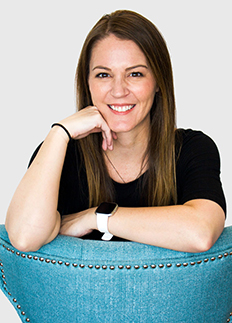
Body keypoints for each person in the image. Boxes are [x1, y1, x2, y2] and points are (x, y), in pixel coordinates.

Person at [5, 10, 226, 253]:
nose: (118, 90)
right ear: (87, 84)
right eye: (103, 75)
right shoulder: (60, 154)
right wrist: (60, 132)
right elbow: (24, 238)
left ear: (158, 82)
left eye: (135, 74)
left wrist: (95, 217)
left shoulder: (192, 149)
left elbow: (200, 233)